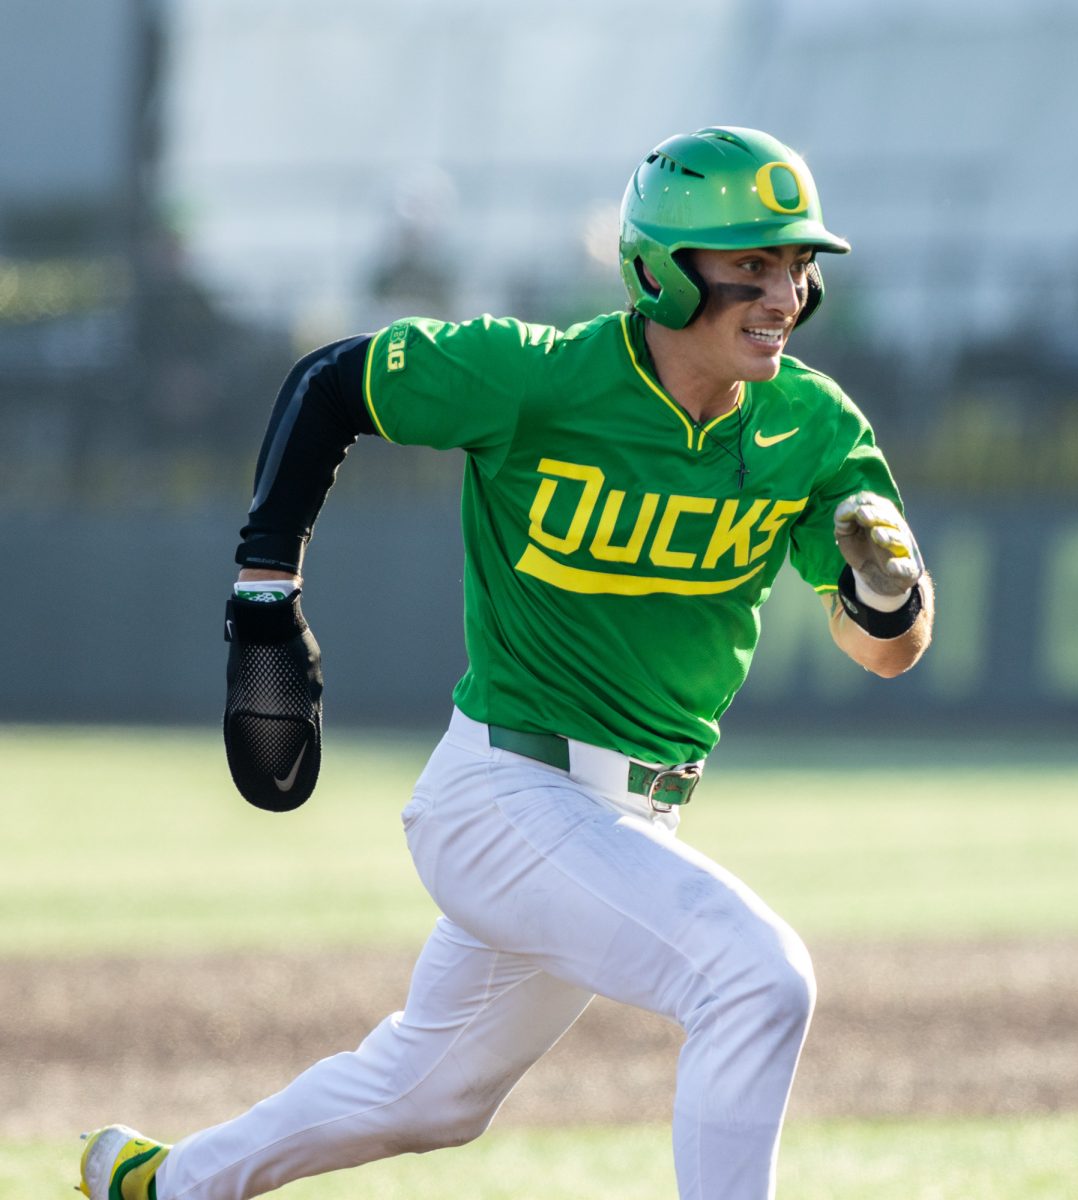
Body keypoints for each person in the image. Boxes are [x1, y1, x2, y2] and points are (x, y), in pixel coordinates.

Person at [80, 125, 933, 1200]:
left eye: (798, 264)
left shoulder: (813, 427)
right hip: (503, 794)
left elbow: (884, 649)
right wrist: (264, 595)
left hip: (626, 821)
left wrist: (889, 591)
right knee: (755, 978)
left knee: (425, 1095)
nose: (784, 292)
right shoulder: (540, 378)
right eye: (751, 264)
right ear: (662, 273)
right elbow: (331, 384)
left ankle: (165, 1185)